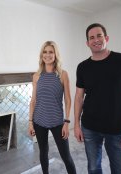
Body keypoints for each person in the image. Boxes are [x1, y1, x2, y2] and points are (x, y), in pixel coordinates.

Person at [74, 23, 121, 174]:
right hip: (89, 127)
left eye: (99, 35)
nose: (96, 40)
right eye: (91, 37)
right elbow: (79, 97)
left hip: (117, 130)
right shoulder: (82, 67)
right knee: (93, 168)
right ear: (87, 43)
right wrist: (77, 125)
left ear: (106, 38)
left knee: (120, 170)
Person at [28, 41, 76, 174]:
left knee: (66, 156)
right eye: (45, 52)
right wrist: (30, 122)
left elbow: (67, 99)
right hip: (39, 121)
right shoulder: (36, 76)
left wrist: (66, 122)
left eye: (50, 52)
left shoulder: (62, 74)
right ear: (41, 55)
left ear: (56, 55)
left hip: (57, 122)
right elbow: (33, 101)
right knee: (43, 152)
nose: (47, 55)